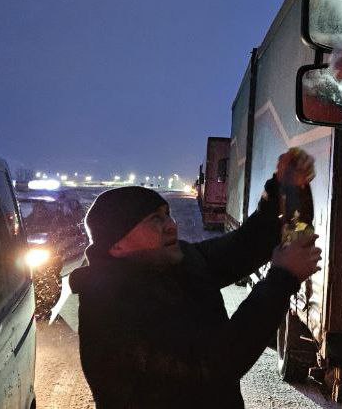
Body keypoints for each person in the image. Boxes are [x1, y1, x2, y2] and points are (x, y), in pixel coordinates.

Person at [69, 148, 322, 409]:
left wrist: (281, 187)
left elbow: (244, 246)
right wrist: (281, 279)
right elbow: (212, 367)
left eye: (167, 214)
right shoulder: (110, 310)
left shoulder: (179, 261)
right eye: (155, 220)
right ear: (117, 246)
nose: (171, 225)